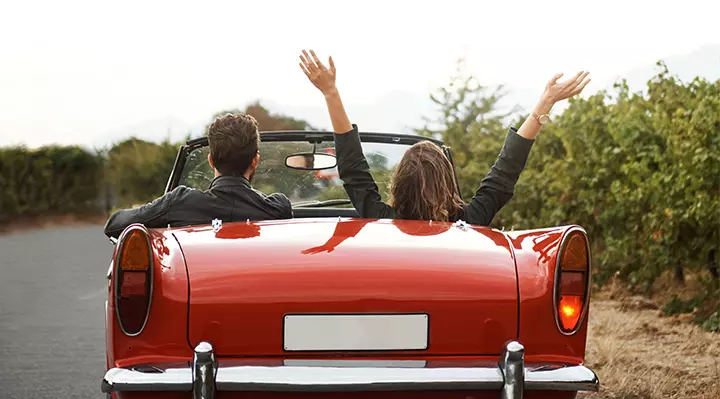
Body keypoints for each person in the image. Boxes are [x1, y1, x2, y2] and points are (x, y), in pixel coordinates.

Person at [299, 49, 590, 225]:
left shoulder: (381, 220)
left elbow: (353, 170)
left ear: (399, 183)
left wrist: (331, 93)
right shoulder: (469, 221)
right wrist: (543, 105)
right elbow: (504, 174)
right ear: (448, 182)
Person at [103, 112, 292, 239]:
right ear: (255, 161)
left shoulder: (180, 202)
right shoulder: (277, 209)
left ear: (211, 160)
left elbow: (114, 225)